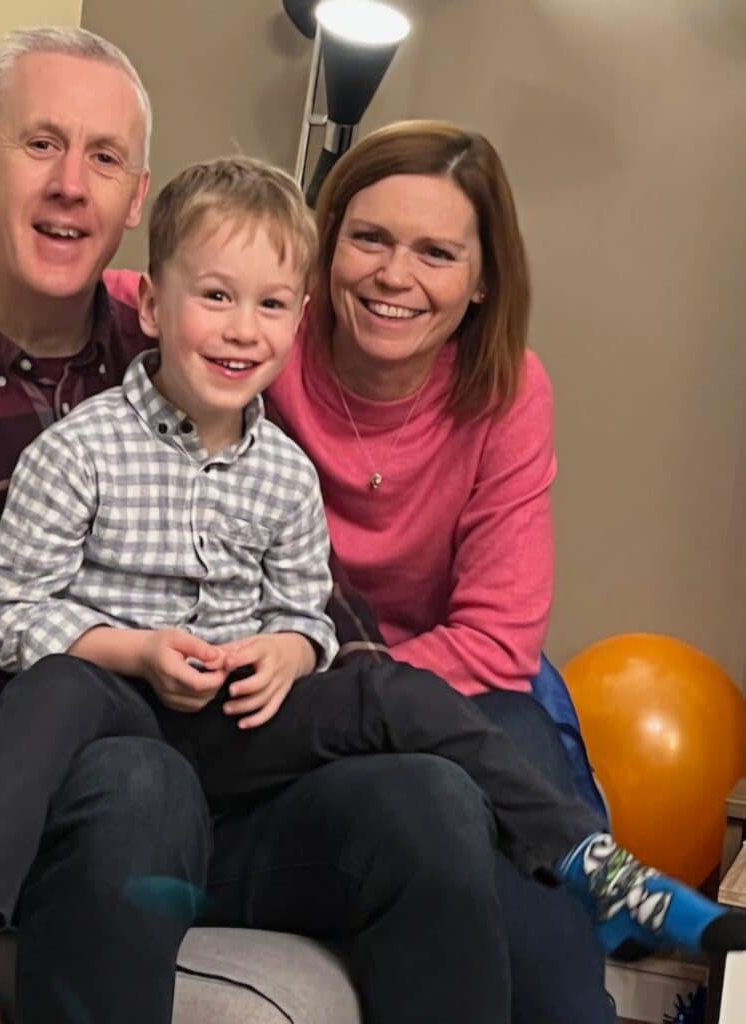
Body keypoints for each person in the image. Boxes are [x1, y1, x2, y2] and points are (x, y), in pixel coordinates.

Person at [0, 30, 606, 1024]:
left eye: (104, 158)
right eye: (40, 146)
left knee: (434, 796)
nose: (73, 185)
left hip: (217, 770)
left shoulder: (197, 342)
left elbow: (307, 584)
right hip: (10, 778)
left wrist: (322, 664)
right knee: (132, 772)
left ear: (136, 198)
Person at [260, 118, 627, 1022]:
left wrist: (361, 692)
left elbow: (498, 639)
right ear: (325, 239)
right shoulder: (258, 335)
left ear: (479, 281)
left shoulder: (506, 392)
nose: (395, 276)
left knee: (512, 760)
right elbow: (116, 292)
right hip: (291, 690)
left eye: (435, 252)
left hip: (456, 683)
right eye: (371, 238)